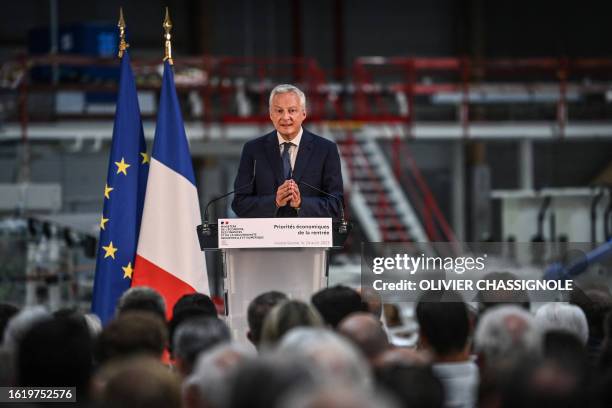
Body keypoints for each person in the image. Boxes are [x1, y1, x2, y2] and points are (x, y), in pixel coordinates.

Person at [231, 84, 343, 218]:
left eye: (292, 110)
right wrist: (275, 202)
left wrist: (301, 203)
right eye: (279, 111)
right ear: (271, 114)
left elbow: (336, 205)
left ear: (303, 113)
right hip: (267, 237)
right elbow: (239, 203)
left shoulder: (326, 149)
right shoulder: (253, 149)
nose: (285, 117)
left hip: (308, 237)